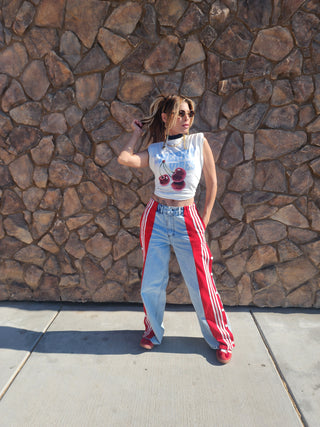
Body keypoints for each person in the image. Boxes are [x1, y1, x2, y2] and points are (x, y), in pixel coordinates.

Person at [118, 94, 234, 364]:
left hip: (187, 216)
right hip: (155, 217)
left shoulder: (198, 141)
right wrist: (136, 134)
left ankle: (222, 338)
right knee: (152, 282)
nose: (186, 119)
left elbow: (212, 182)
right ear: (165, 117)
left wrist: (203, 217)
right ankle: (152, 332)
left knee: (201, 282)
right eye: (180, 113)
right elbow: (125, 159)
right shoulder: (156, 150)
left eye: (189, 114)